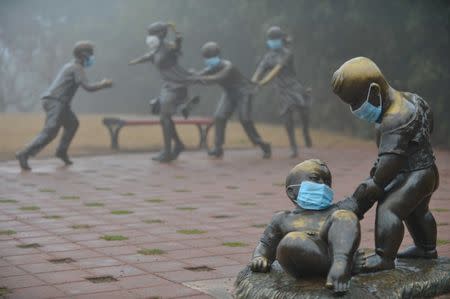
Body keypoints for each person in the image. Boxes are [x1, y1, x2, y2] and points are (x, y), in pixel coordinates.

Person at [331, 57, 439, 272]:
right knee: (417, 210)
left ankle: (384, 257)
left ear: (374, 90)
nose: (355, 109)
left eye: (356, 102)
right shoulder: (413, 99)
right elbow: (429, 125)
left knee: (390, 207)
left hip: (414, 173)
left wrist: (367, 192)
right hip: (427, 170)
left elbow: (387, 168)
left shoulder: (393, 119)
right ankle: (426, 249)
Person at [250, 159, 364, 294]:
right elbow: (265, 246)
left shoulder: (336, 210)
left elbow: (367, 193)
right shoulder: (282, 219)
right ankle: (345, 265)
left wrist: (386, 165)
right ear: (292, 192)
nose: (322, 185)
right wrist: (259, 258)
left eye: (327, 182)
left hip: (332, 252)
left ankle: (341, 263)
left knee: (344, 215)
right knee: (292, 241)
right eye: (315, 179)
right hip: (302, 260)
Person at [15, 41, 113, 171]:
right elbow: (88, 87)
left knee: (72, 124)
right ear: (83, 55)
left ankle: (61, 151)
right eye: (91, 54)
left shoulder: (71, 65)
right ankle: (24, 154)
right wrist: (103, 84)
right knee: (50, 132)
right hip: (56, 101)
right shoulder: (76, 68)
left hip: (59, 102)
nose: (92, 57)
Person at [129, 22, 197, 162]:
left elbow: (176, 48)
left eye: (151, 34)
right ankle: (177, 144)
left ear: (161, 34)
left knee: (164, 117)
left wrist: (178, 40)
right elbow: (149, 56)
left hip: (178, 84)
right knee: (163, 117)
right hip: (168, 85)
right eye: (148, 34)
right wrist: (135, 61)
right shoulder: (156, 49)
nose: (149, 37)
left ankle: (167, 151)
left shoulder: (168, 46)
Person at [191, 42, 271, 159]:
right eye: (206, 58)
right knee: (219, 117)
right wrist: (190, 75)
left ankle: (263, 145)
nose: (208, 60)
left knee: (245, 120)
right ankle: (218, 148)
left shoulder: (228, 66)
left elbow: (216, 78)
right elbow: (200, 75)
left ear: (217, 56)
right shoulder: (212, 67)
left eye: (210, 58)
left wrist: (198, 77)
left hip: (243, 93)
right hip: (229, 94)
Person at [252, 26, 312, 158]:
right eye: (270, 39)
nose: (272, 41)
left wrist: (262, 83)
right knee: (287, 117)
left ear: (280, 39)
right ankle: (293, 147)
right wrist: (253, 82)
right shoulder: (268, 57)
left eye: (275, 39)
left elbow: (276, 70)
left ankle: (305, 131)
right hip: (281, 89)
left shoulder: (287, 53)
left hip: (293, 86)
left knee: (304, 111)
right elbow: (259, 70)